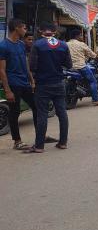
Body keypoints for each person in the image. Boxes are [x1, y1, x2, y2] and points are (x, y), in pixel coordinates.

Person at [26, 22, 72, 153]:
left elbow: (32, 66)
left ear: (40, 31)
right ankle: (63, 142)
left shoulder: (37, 45)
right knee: (62, 113)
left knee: (42, 114)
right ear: (55, 31)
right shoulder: (63, 45)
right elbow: (69, 65)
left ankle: (39, 146)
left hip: (43, 84)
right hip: (59, 83)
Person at [0, 19, 38, 150]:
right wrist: (7, 90)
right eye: (24, 28)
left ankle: (40, 135)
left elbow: (25, 62)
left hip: (25, 82)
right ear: (17, 28)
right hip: (13, 84)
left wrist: (31, 80)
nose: (25, 30)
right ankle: (17, 141)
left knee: (37, 107)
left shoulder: (21, 44)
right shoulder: (3, 46)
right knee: (15, 112)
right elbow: (1, 70)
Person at [67, 29, 98, 106]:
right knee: (93, 81)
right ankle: (95, 100)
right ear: (77, 36)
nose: (82, 37)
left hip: (69, 67)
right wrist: (97, 57)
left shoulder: (66, 44)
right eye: (81, 35)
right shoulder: (81, 44)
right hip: (80, 66)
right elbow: (91, 53)